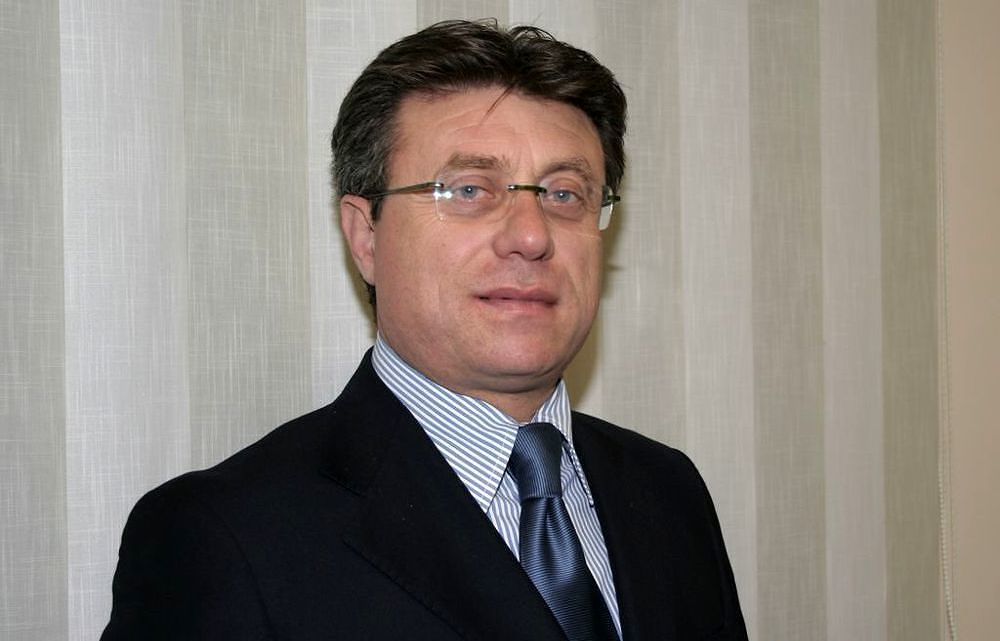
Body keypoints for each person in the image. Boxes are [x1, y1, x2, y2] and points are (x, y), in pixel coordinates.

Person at [102, 19, 747, 641]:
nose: (531, 236)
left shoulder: (668, 491)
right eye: (469, 190)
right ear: (366, 237)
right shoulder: (224, 538)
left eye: (564, 194)